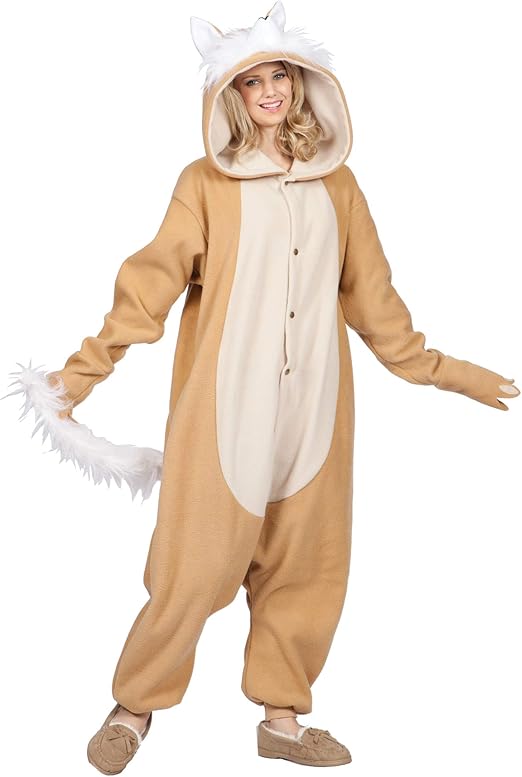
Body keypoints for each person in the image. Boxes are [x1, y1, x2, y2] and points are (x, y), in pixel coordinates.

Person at [8, 1, 519, 772]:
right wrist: (76, 377)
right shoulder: (204, 185)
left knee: (307, 567)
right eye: (252, 81)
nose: (270, 90)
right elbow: (146, 292)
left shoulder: (339, 187)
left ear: (302, 83)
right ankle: (134, 705)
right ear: (231, 95)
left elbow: (377, 306)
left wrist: (454, 373)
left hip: (315, 416)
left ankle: (281, 719)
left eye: (280, 75)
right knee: (191, 568)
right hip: (223, 416)